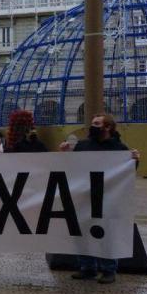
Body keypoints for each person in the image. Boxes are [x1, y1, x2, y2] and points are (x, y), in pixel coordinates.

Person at [60, 113, 140, 284]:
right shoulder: (82, 146)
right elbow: (70, 168)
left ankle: (108, 269)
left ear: (108, 127)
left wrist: (134, 161)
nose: (92, 126)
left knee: (107, 234)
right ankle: (87, 267)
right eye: (92, 123)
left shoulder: (120, 149)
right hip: (84, 197)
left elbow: (128, 173)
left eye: (97, 123)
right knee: (82, 233)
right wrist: (65, 154)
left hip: (108, 198)